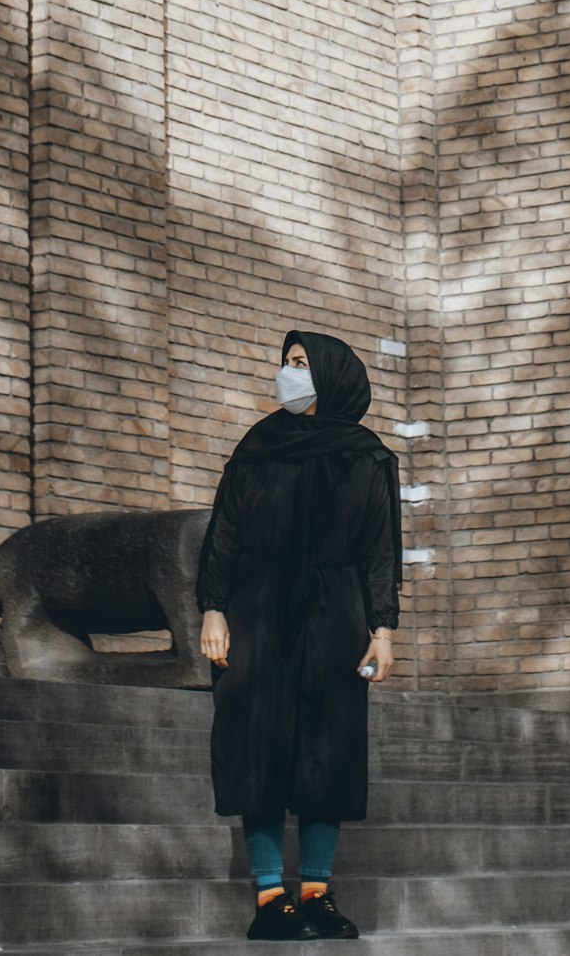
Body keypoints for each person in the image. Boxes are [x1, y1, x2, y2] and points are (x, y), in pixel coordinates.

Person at [196, 328, 402, 942]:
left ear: (333, 376)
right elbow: (224, 534)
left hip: (335, 611)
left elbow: (380, 551)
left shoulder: (367, 457)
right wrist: (213, 608)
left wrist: (383, 629)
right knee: (254, 739)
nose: (289, 372)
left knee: (328, 748)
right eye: (287, 363)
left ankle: (315, 892)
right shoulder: (256, 446)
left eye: (302, 364)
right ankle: (269, 898)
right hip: (255, 607)